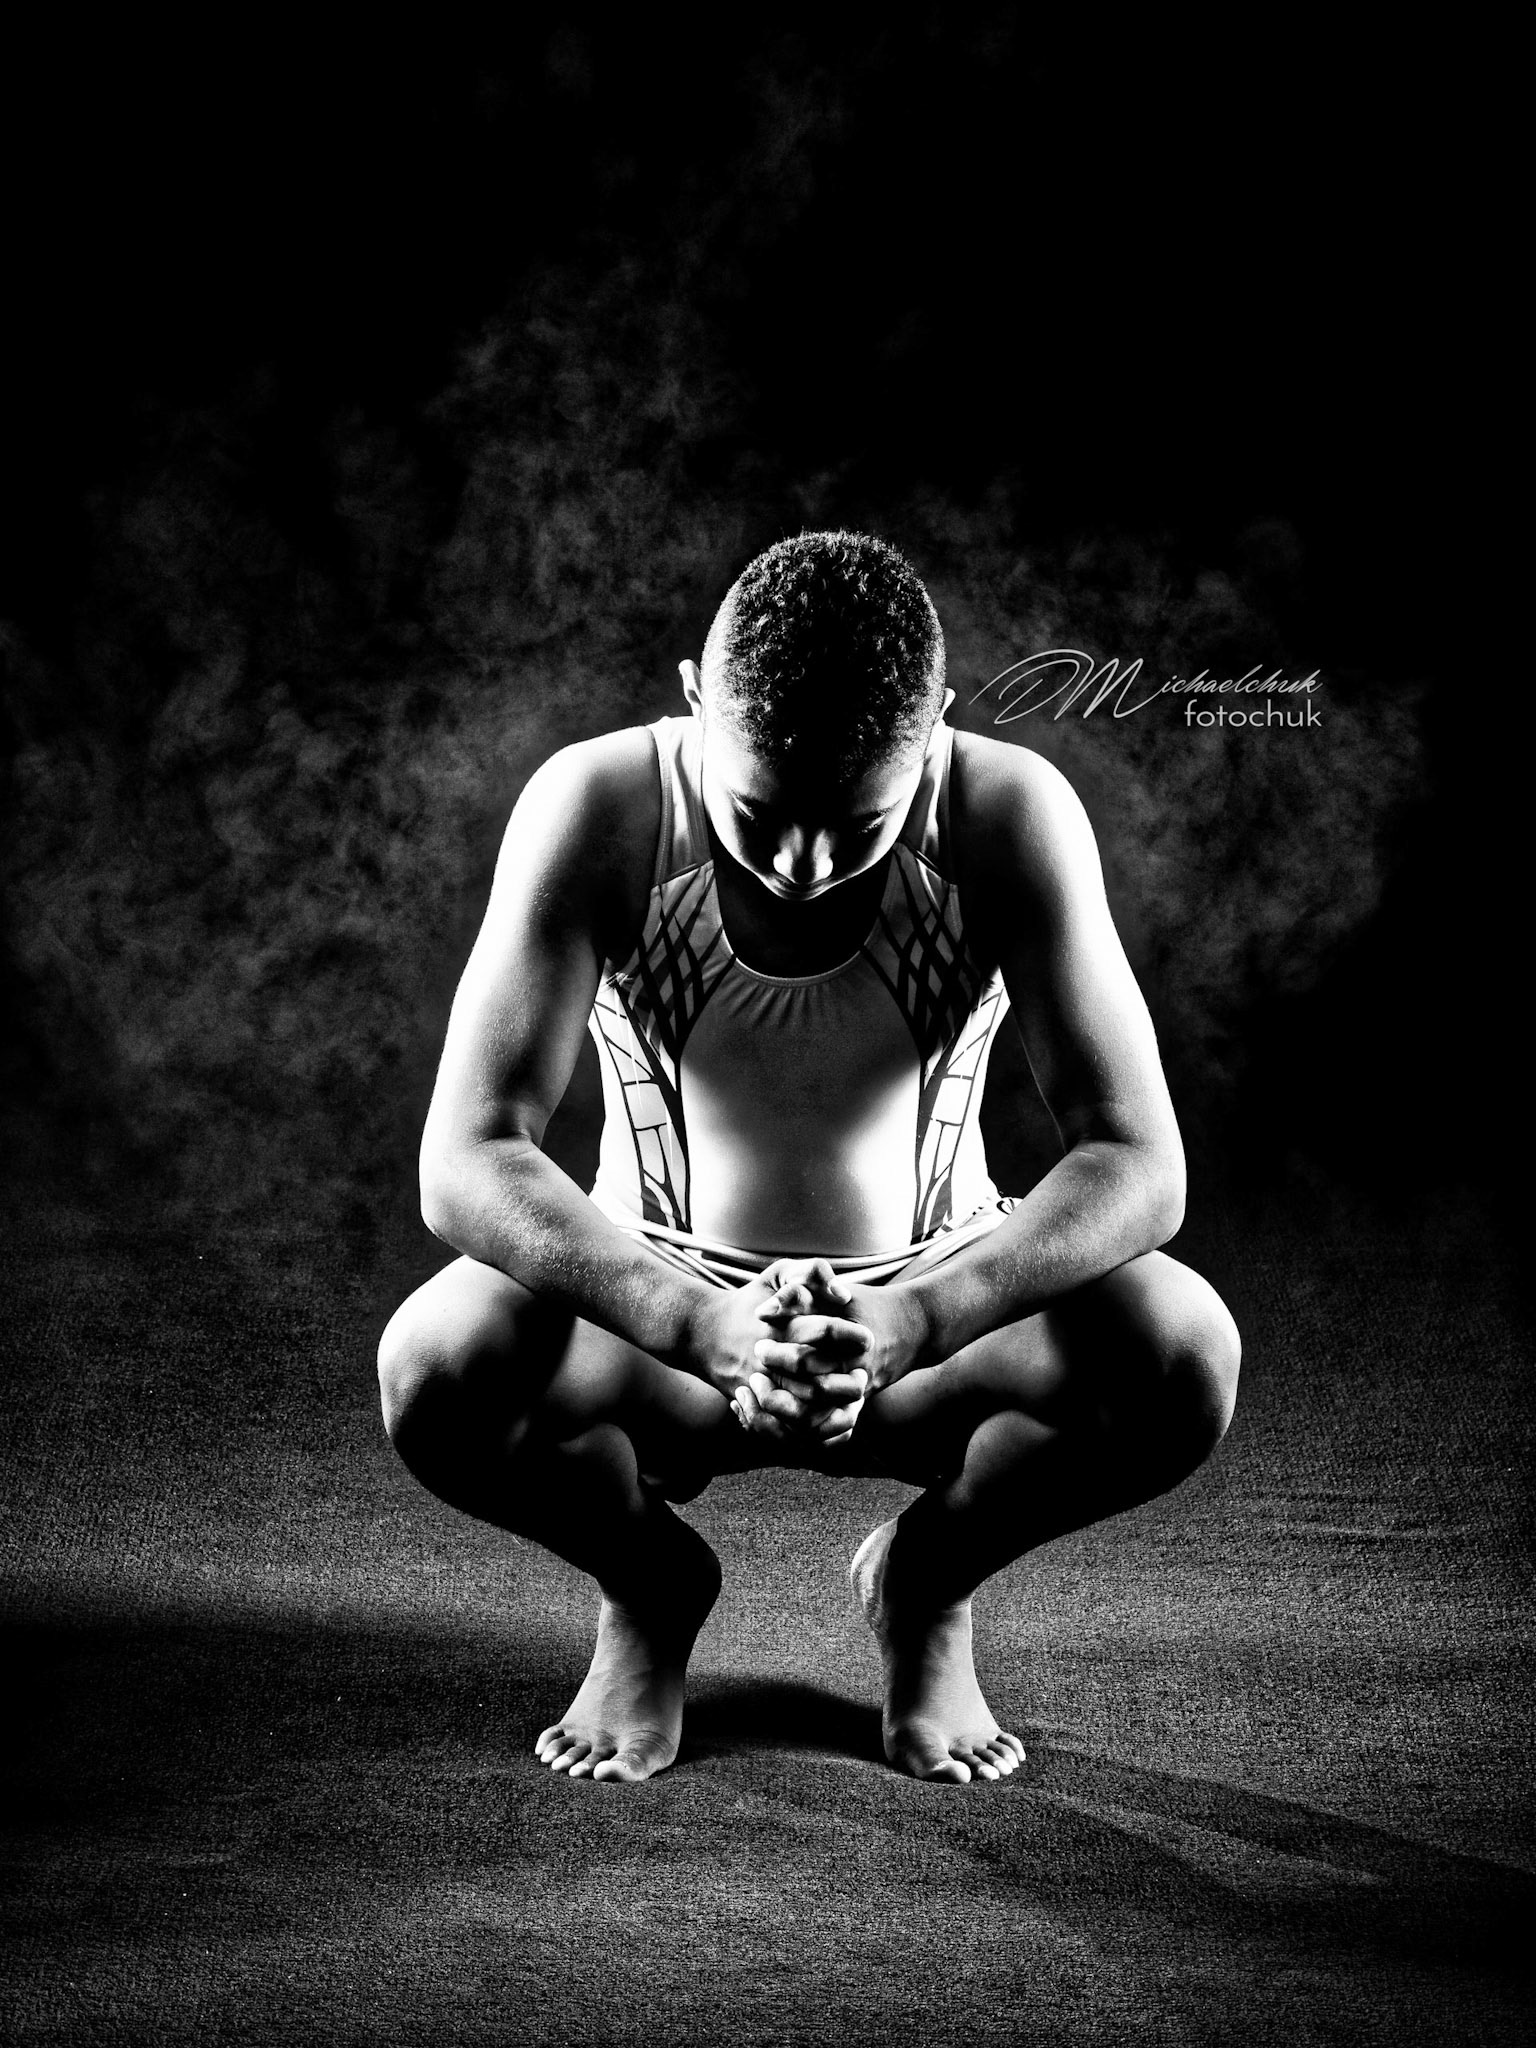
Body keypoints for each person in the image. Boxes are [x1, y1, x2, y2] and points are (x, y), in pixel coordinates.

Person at [376, 530, 1240, 1786]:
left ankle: (927, 1581)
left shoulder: (1008, 811)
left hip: (924, 1318)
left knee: (1183, 1352)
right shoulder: (600, 803)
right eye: (760, 815)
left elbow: (1139, 1164)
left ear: (936, 731)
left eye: (859, 824)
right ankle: (651, 1580)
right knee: (433, 1366)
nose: (803, 866)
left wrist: (920, 1315)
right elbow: (464, 1157)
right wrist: (698, 1323)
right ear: (691, 701)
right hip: (664, 1324)